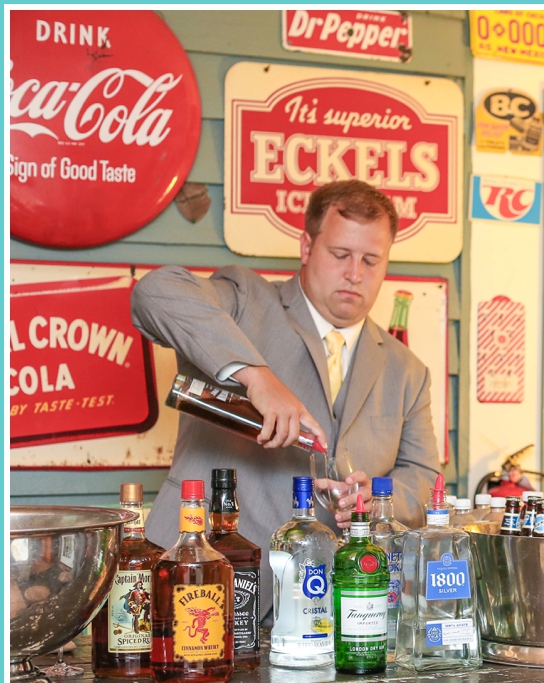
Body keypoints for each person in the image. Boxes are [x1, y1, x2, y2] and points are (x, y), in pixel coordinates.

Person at [132, 181, 440, 615]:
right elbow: (155, 292)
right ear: (306, 246)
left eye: (371, 260)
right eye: (340, 255)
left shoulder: (408, 371)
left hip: (331, 612)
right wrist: (257, 377)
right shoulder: (244, 299)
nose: (355, 273)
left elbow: (424, 475)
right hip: (200, 586)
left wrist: (380, 498)